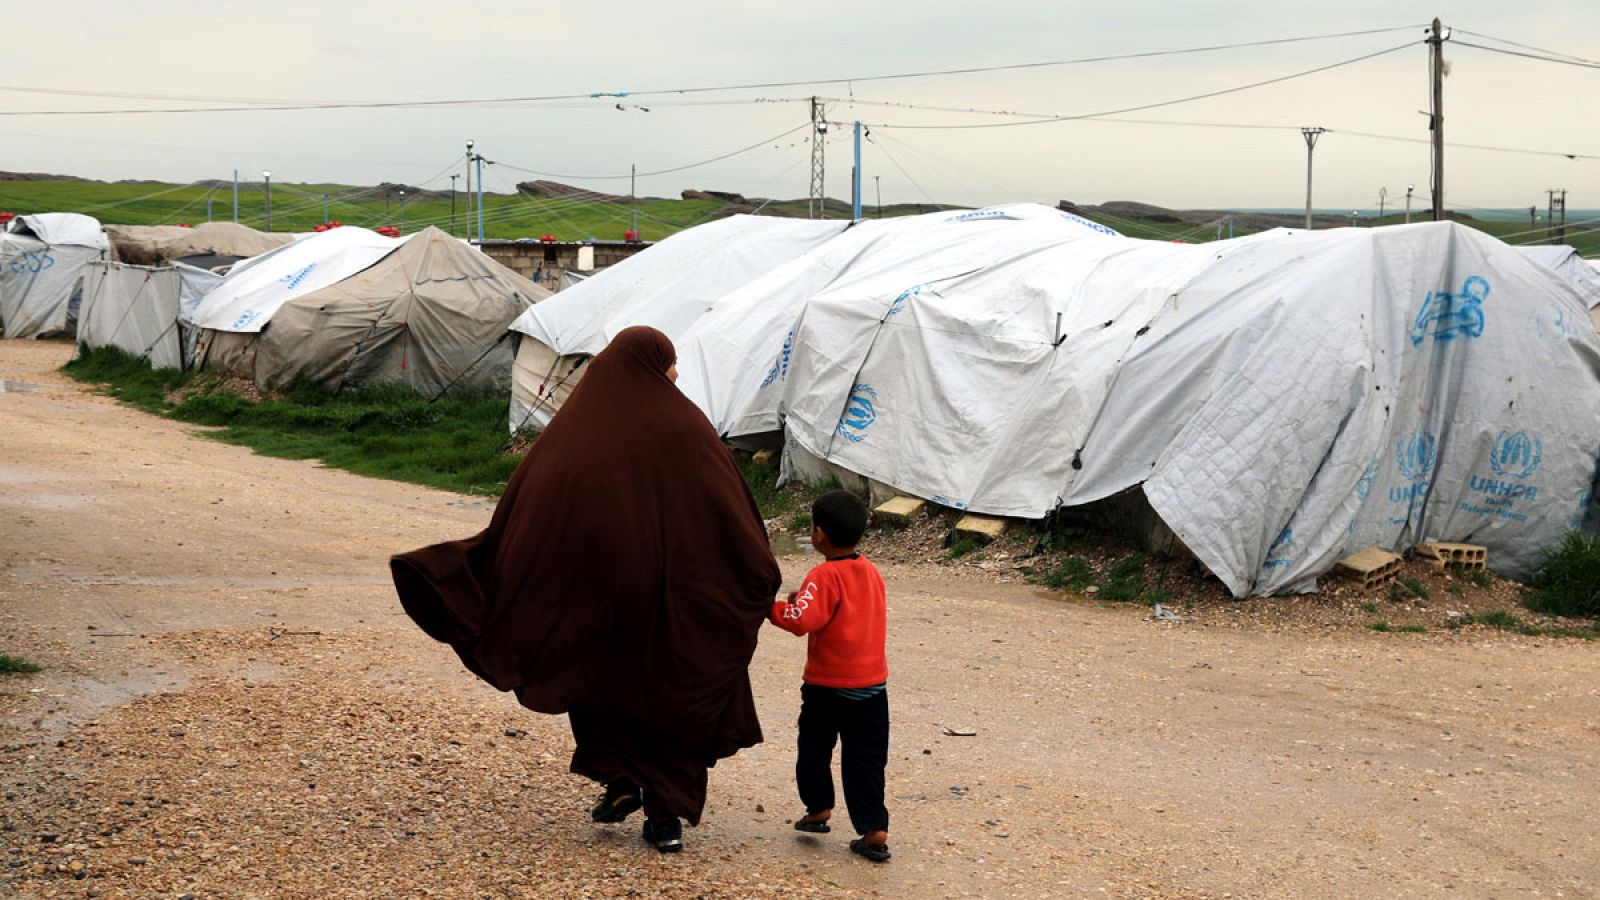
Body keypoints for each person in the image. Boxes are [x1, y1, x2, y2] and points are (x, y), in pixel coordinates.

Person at [390, 326, 781, 854]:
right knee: (664, 693)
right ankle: (660, 809)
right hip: (669, 601)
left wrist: (513, 567)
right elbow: (730, 513)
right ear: (652, 363)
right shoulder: (685, 426)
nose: (676, 373)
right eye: (671, 362)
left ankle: (623, 780)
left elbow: (531, 512)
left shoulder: (574, 428)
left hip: (598, 600)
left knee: (600, 682)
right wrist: (750, 572)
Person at [768, 490, 892, 863]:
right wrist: (800, 599)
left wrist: (771, 608)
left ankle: (819, 809)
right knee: (866, 760)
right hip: (872, 687)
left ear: (819, 534)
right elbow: (839, 612)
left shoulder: (822, 575)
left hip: (828, 688)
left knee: (814, 750)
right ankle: (874, 829)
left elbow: (804, 620)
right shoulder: (869, 570)